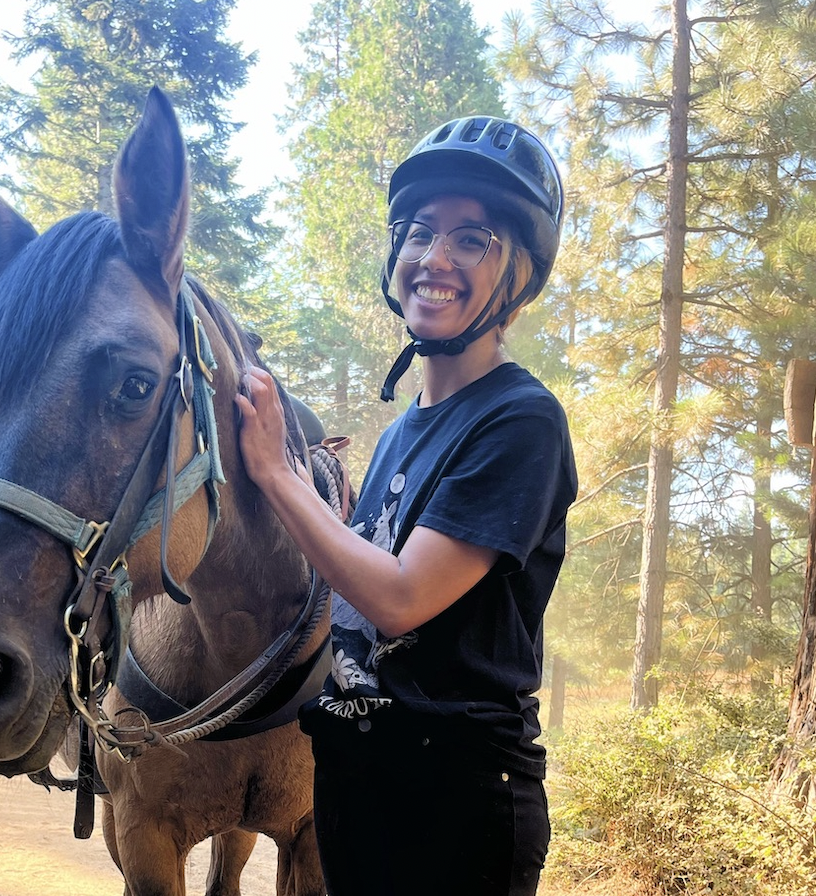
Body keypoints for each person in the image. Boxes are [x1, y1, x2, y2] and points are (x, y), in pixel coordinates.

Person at [235, 116, 578, 895]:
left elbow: (400, 600)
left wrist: (276, 474)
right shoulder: (396, 439)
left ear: (518, 277)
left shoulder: (521, 421)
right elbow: (344, 601)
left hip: (456, 802)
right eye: (422, 232)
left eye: (473, 240)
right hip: (360, 784)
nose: (436, 258)